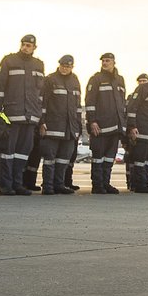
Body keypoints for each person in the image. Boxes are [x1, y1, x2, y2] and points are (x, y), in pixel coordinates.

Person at [0, 34, 43, 195]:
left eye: (29, 45)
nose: (25, 47)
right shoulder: (9, 61)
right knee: (8, 152)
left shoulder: (38, 64)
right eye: (24, 44)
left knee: (22, 153)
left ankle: (17, 184)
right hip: (11, 114)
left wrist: (38, 114)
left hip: (30, 116)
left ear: (34, 48)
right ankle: (6, 185)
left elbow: (39, 92)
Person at [38, 54, 83, 194]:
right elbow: (42, 102)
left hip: (70, 128)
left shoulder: (75, 80)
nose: (65, 69)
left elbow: (78, 106)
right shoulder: (50, 79)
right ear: (59, 65)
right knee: (50, 159)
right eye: (63, 66)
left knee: (64, 159)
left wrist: (78, 126)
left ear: (72, 67)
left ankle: (59, 184)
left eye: (68, 66)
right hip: (53, 126)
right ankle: (48, 186)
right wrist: (42, 121)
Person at [84, 52, 128, 193]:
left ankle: (105, 183)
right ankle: (97, 185)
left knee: (109, 158)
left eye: (107, 60)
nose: (104, 63)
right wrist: (92, 121)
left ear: (114, 62)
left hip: (115, 127)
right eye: (103, 61)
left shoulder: (120, 80)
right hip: (100, 126)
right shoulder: (96, 79)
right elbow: (89, 101)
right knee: (98, 157)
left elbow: (122, 103)